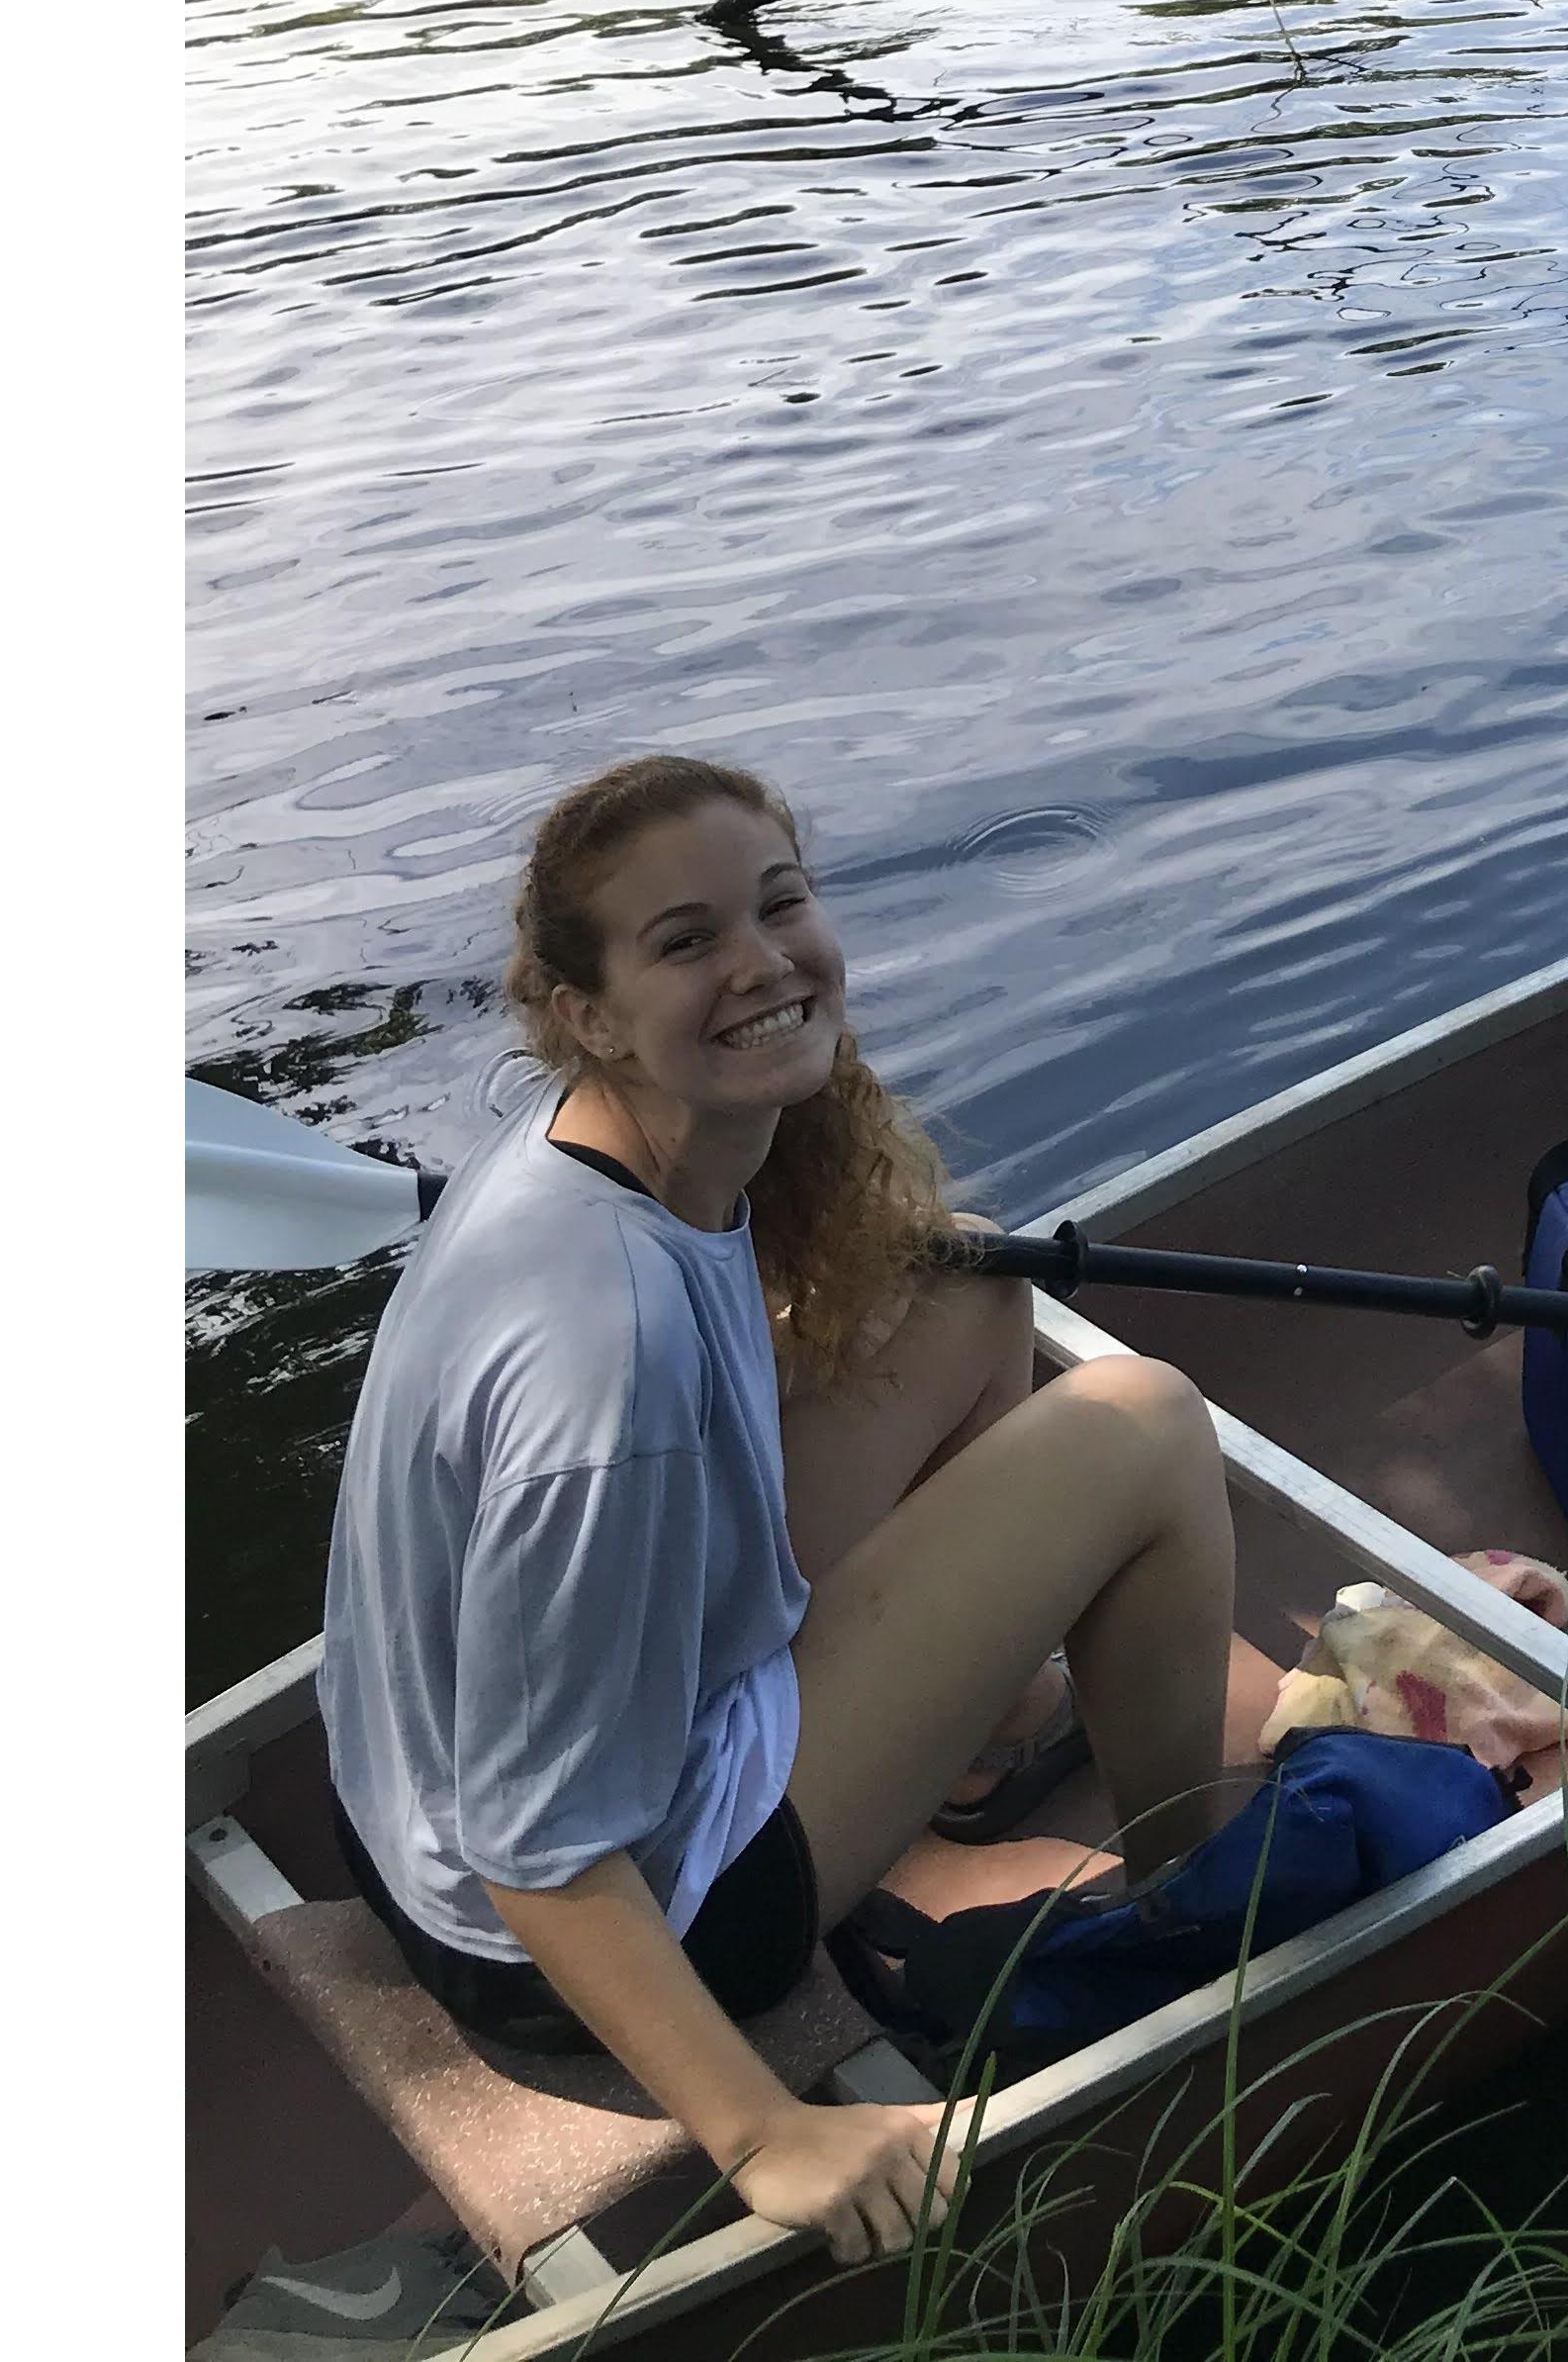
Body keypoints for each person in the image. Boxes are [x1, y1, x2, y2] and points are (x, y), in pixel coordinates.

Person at [318, 753, 1245, 2266]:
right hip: (596, 1927)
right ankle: (1190, 1897)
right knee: (1141, 1423)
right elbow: (536, 1845)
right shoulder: (598, 1369)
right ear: (583, 1011)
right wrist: (763, 2133)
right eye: (685, 943)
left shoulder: (583, 1154)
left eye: (778, 903)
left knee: (962, 1274)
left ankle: (978, 1729)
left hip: (406, 1798)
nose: (761, 963)